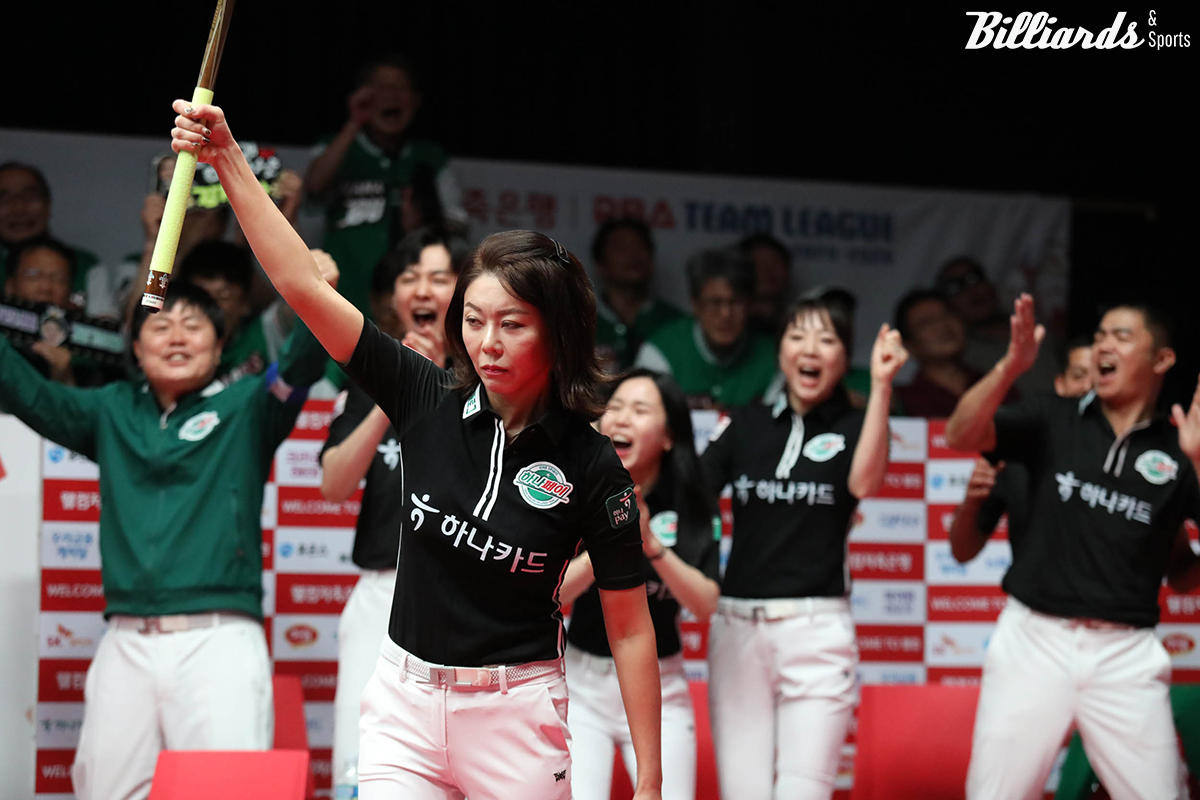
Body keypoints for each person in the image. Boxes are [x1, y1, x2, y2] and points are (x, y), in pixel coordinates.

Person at [170, 99, 663, 800]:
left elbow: (631, 628)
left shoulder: (593, 467)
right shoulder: (421, 394)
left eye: (512, 324)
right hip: (402, 702)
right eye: (474, 319)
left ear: (558, 333)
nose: (486, 342)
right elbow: (301, 286)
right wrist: (228, 160)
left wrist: (650, 781)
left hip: (517, 718)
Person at [0, 267, 332, 800]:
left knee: (229, 792)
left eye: (193, 325)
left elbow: (302, 362)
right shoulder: (111, 410)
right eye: (160, 326)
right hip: (126, 641)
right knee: (104, 790)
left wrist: (316, 292)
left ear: (222, 344)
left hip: (218, 637)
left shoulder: (247, 406)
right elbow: (29, 395)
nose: (176, 336)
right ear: (134, 346)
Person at [945, 296, 1200, 800]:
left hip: (1125, 655)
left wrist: (1199, 461)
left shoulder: (1179, 452)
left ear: (1162, 360)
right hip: (1033, 643)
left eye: (1122, 336)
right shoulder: (1050, 418)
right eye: (1100, 334)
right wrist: (1009, 368)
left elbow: (1186, 576)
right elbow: (960, 434)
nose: (1105, 343)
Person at [701, 296, 908, 800]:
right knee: (742, 792)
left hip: (816, 631)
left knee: (805, 792)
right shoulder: (745, 424)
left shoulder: (856, 426)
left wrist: (881, 386)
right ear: (780, 352)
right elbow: (693, 490)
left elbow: (864, 482)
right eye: (797, 335)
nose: (810, 349)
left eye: (827, 338)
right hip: (737, 629)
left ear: (843, 358)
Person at [319, 227, 464, 793]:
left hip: (462, 595)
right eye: (409, 277)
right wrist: (393, 391)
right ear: (391, 299)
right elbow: (333, 483)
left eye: (438, 277)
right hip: (380, 592)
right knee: (363, 766)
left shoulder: (489, 381)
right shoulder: (366, 375)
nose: (422, 289)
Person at [558, 369, 721, 800]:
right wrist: (613, 539)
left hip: (661, 689)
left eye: (640, 410)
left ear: (669, 436)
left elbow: (706, 604)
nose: (623, 418)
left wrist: (652, 546)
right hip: (582, 682)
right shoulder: (573, 489)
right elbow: (553, 595)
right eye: (615, 407)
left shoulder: (690, 503)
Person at [305, 54, 467, 316]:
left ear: (415, 101)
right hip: (340, 294)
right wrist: (355, 122)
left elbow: (457, 229)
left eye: (400, 88)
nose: (391, 96)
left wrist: (421, 228)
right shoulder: (336, 145)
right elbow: (313, 186)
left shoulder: (430, 158)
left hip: (402, 306)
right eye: (380, 87)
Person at [949, 335, 1094, 564]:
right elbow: (962, 552)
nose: (1088, 387)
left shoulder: (1134, 454)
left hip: (1109, 598)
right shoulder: (1018, 451)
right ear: (1059, 383)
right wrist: (971, 503)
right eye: (1078, 376)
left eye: (1100, 376)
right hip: (1030, 598)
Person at [635, 246, 777, 409]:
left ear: (750, 305)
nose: (725, 314)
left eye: (735, 302)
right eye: (715, 302)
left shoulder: (773, 358)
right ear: (696, 304)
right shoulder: (661, 350)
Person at [936, 256, 1058, 398]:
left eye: (974, 278)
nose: (972, 290)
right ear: (946, 304)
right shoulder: (959, 354)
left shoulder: (1036, 327)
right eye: (955, 287)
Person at [893, 288, 1017, 417]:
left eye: (948, 314)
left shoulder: (997, 385)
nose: (943, 325)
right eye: (926, 322)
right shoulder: (902, 402)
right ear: (908, 346)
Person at [0, 161, 102, 310]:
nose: (19, 208)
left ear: (48, 205)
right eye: (5, 199)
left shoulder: (86, 266)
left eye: (29, 197)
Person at [591, 218, 684, 372]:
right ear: (600, 265)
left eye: (640, 246)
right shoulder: (579, 322)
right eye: (621, 247)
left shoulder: (675, 323)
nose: (633, 254)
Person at [738, 232, 793, 338]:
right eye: (757, 264)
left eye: (775, 263)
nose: (767, 272)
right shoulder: (727, 322)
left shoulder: (799, 322)